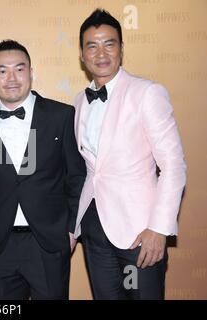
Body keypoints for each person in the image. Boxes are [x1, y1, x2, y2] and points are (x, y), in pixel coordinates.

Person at [73, 9, 187, 300]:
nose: (101, 53)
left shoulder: (146, 92)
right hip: (95, 229)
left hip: (139, 232)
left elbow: (173, 165)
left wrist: (158, 228)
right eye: (92, 45)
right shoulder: (78, 102)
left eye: (109, 43)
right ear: (82, 55)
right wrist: (74, 226)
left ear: (121, 49)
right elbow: (90, 171)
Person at [0, 40, 86, 300]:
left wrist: (71, 230)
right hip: (0, 245)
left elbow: (77, 178)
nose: (11, 78)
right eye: (2, 71)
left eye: (19, 69)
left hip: (48, 243)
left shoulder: (61, 116)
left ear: (31, 73)